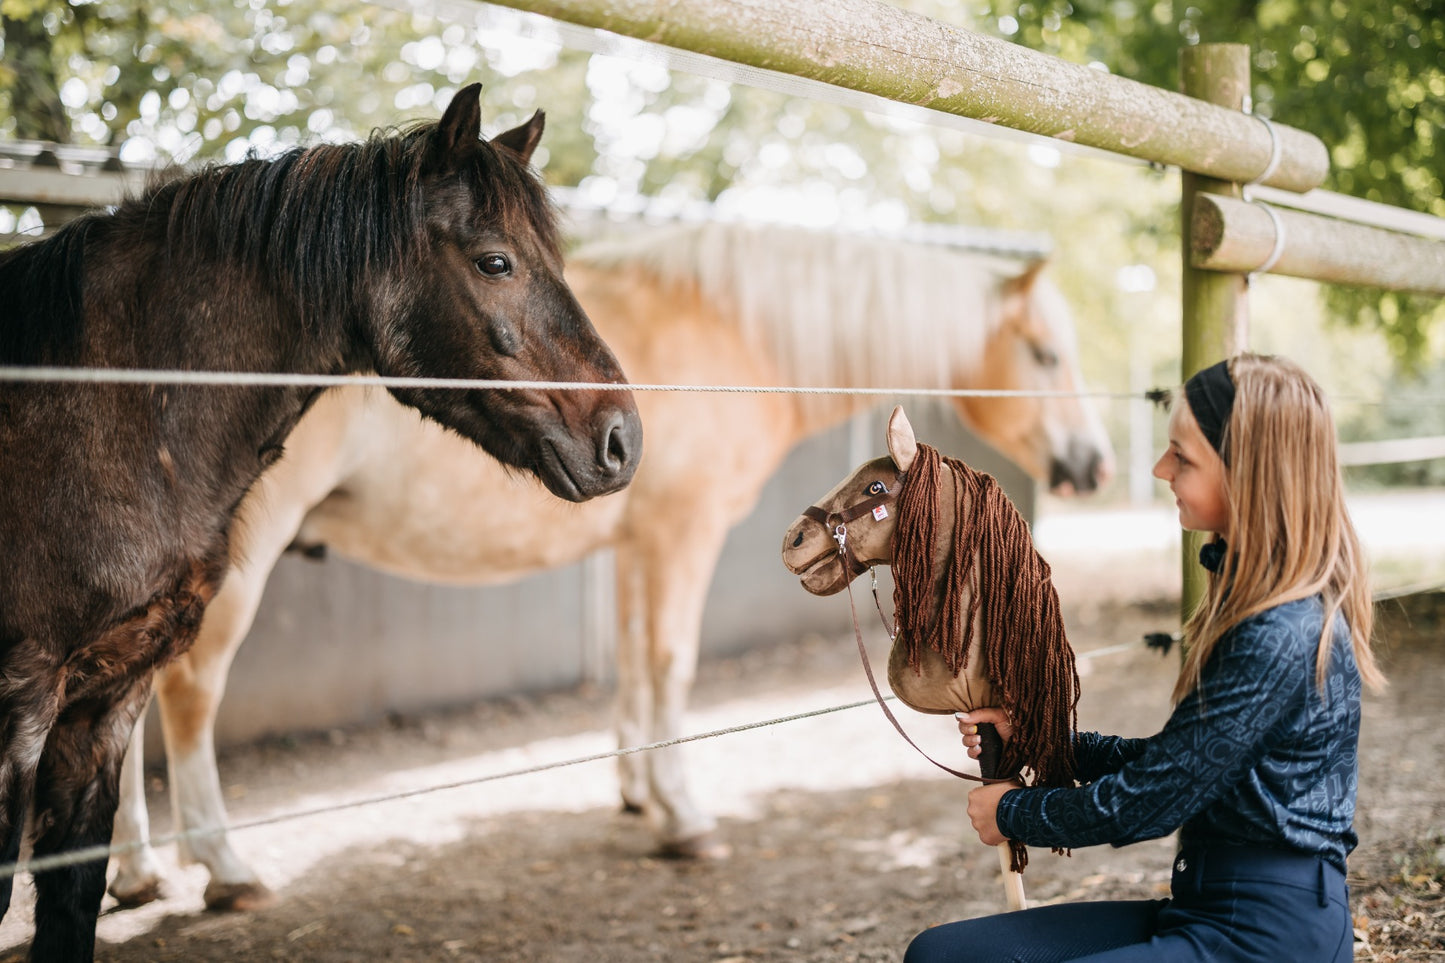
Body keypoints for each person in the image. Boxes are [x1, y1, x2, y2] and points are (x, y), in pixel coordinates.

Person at [905, 352, 1385, 963]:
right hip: (1206, 905)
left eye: (1182, 456)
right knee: (941, 955)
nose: (1161, 468)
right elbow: (1176, 765)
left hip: (1269, 938)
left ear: (1250, 474)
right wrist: (1042, 740)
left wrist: (1016, 812)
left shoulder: (1279, 631)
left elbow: (1148, 802)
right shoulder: (1257, 606)